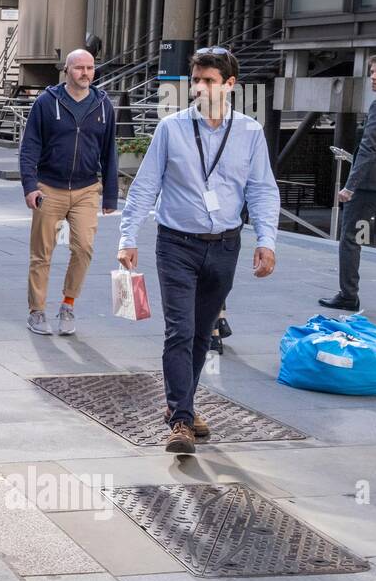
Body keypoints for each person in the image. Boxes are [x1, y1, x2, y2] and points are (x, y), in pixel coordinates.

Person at [118, 48, 280, 455]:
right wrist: (127, 237)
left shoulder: (249, 132)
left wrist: (267, 241)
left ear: (230, 85)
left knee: (202, 336)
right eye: (197, 81)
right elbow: (145, 186)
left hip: (225, 245)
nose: (200, 88)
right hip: (176, 244)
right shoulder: (172, 129)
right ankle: (181, 421)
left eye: (209, 81)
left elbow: (262, 189)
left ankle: (183, 404)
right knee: (180, 331)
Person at [19, 49, 119, 336]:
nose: (86, 73)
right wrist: (30, 186)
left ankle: (68, 303)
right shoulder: (46, 103)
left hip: (87, 188)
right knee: (42, 253)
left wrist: (110, 196)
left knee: (84, 248)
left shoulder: (103, 105)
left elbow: (109, 151)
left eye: (90, 68)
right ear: (66, 71)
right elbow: (29, 148)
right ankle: (37, 311)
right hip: (49, 187)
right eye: (79, 68)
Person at [319, 53, 376, 311]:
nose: (373, 76)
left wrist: (350, 186)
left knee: (350, 237)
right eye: (372, 71)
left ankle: (348, 295)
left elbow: (368, 149)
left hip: (371, 185)